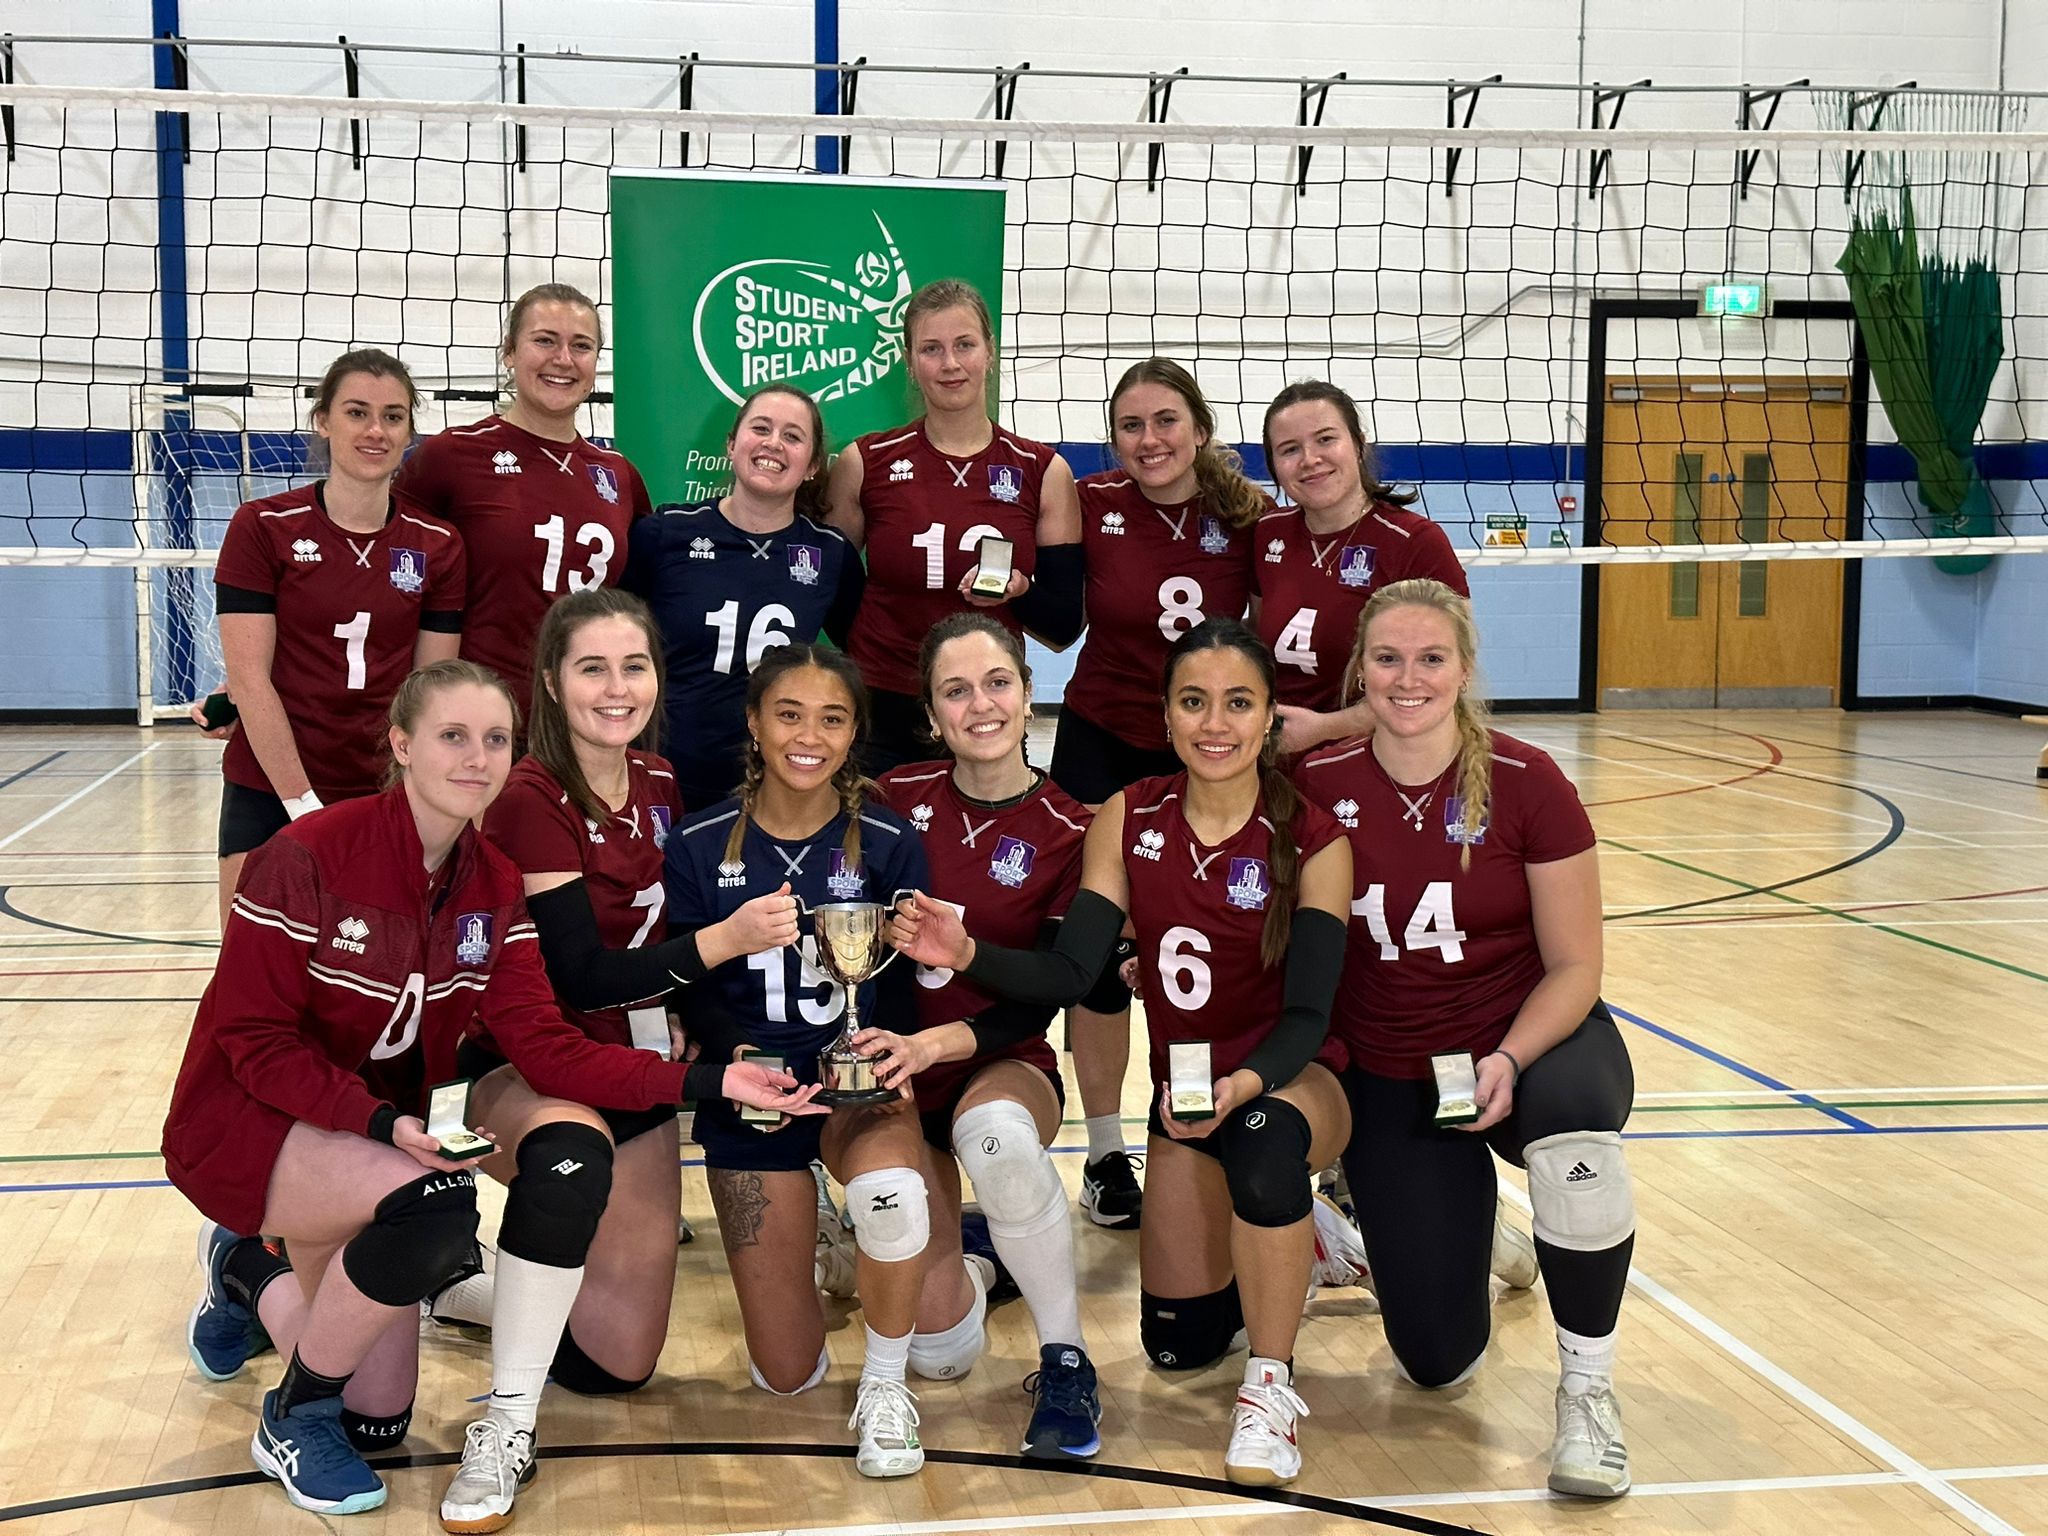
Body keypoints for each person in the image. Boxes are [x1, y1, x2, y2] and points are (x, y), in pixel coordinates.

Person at [162, 660, 812, 1519]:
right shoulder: (309, 855)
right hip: (250, 1119)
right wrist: (381, 1120)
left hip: (362, 1138)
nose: (477, 758)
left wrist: (708, 1081)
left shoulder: (494, 885)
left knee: (382, 1421)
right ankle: (293, 1414)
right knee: (433, 1206)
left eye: (496, 739)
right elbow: (250, 1039)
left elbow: (544, 1046)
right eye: (453, 736)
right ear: (401, 745)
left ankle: (245, 1266)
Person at [892, 618, 1352, 1487]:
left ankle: (1270, 1384)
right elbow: (1072, 969)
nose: (1215, 723)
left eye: (1239, 703)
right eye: (1193, 702)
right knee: (1177, 1347)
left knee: (1259, 1140)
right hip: (1183, 1104)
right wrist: (967, 956)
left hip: (1292, 1079)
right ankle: (1304, 1244)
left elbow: (1307, 1015)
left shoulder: (1314, 837)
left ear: (1268, 720)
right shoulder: (1127, 814)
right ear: (1167, 716)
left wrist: (1246, 1080)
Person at [441, 591, 816, 1529]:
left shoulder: (654, 781)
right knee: (572, 1166)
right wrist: (720, 949)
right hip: (522, 1064)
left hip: (630, 1056)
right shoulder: (528, 798)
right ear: (554, 684)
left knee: (621, 1360)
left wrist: (685, 1004)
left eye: (634, 667)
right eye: (593, 669)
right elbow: (580, 973)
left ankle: (452, 1280)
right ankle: (503, 1411)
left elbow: (667, 928)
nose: (617, 688)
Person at [1295, 578, 1636, 1499]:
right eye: (1389, 658)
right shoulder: (1314, 786)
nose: (1409, 679)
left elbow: (1575, 968)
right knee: (1438, 1365)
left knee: (1579, 1146)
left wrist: (1510, 1059)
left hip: (1527, 1041)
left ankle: (1590, 1396)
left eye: (1432, 658)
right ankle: (1466, 1227)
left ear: (1466, 668)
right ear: (1360, 670)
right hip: (1390, 1067)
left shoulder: (1528, 782)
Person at [662, 644, 938, 1479]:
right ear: (753, 722)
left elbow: (904, 984)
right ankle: (825, 1235)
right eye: (789, 714)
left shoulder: (890, 839)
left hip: (857, 1090)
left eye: (833, 717)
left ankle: (887, 1389)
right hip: (752, 1093)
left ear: (855, 733)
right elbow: (690, 978)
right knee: (786, 1375)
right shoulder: (699, 840)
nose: (809, 735)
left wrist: (892, 1050)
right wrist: (729, 1044)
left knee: (904, 1228)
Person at [863, 613, 1102, 1458]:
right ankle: (982, 1259)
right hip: (894, 1072)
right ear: (931, 713)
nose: (981, 705)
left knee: (996, 1139)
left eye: (997, 683)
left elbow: (1044, 995)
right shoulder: (890, 800)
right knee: (941, 1356)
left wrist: (953, 994)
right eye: (955, 691)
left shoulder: (1075, 827)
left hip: (996, 1059)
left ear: (1030, 693)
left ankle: (1067, 1359)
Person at [1054, 358, 1268, 1230]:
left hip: (1208, 752)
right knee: (1096, 960)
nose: (1150, 440)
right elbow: (1046, 603)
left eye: (1167, 421)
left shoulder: (1249, 516)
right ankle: (1105, 1154)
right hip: (1102, 743)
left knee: (1211, 947)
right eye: (1132, 425)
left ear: (1201, 431)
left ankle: (1217, 1121)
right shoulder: (1090, 503)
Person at [200, 347, 464, 928]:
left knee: (372, 976)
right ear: (323, 421)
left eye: (393, 416)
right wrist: (301, 804)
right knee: (254, 979)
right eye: (356, 412)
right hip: (271, 785)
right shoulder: (262, 526)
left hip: (383, 787)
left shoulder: (437, 543)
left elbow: (431, 690)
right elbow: (249, 678)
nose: (376, 430)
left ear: (409, 430)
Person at [825, 278, 1083, 776]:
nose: (950, 364)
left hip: (986, 710)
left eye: (964, 344)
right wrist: (877, 651)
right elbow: (832, 593)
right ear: (908, 361)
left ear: (990, 351)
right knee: (871, 850)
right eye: (931, 349)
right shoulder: (865, 461)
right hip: (882, 708)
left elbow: (1063, 626)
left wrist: (1018, 593)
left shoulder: (1042, 471)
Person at [405, 282, 652, 713]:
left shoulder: (619, 474)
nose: (563, 360)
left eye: (581, 346)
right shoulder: (452, 456)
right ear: (510, 352)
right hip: (484, 721)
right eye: (544, 341)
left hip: (586, 721)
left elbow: (637, 603)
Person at [624, 383, 863, 809]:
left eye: (793, 436)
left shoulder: (831, 554)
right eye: (761, 428)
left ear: (811, 466)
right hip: (664, 777)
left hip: (775, 788)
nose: (774, 443)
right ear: (732, 445)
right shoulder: (665, 533)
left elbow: (863, 653)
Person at [1255, 381, 1468, 757]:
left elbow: (1445, 678)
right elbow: (1256, 641)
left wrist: (1325, 729)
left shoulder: (1415, 542)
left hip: (1376, 760)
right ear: (1274, 467)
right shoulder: (1267, 534)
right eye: (1289, 449)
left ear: (1358, 444)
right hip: (1276, 761)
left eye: (1325, 440)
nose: (1309, 459)